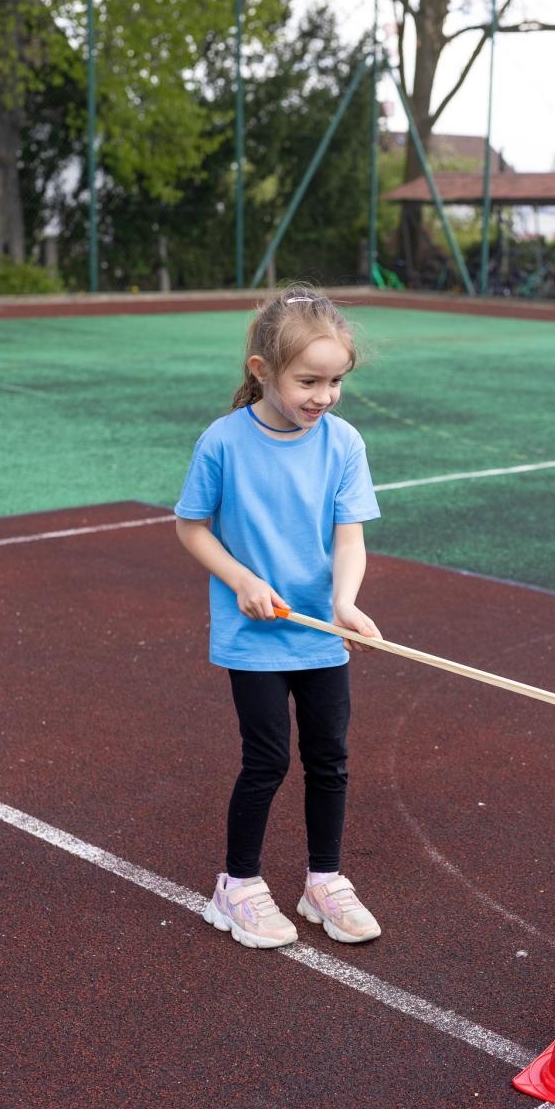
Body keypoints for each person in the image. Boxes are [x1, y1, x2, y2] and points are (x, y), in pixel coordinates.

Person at [175, 286, 382, 949]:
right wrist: (239, 578)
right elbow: (191, 527)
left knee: (331, 759)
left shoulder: (343, 443)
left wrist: (346, 601)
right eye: (309, 381)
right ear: (263, 371)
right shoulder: (223, 442)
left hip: (321, 632)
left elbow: (349, 538)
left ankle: (323, 880)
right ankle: (237, 886)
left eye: (336, 381)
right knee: (266, 760)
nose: (324, 395)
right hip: (254, 635)